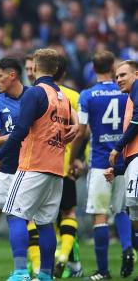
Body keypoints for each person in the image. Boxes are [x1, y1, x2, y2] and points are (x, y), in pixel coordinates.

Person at [0, 48, 76, 281]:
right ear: (57, 69)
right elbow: (71, 125)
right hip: (56, 167)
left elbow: (21, 129)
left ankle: (20, 272)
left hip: (33, 164)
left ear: (36, 68)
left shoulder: (35, 93)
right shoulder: (62, 97)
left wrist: (1, 155)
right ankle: (46, 275)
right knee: (45, 222)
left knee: (14, 215)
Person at [70, 51, 132, 280]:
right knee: (123, 210)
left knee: (100, 216)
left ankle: (103, 271)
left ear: (93, 69)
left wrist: (72, 158)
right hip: (124, 161)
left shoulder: (87, 96)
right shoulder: (126, 92)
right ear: (113, 68)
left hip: (100, 163)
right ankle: (127, 248)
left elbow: (82, 131)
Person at [0, 57, 27, 251]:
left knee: (20, 217)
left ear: (13, 75)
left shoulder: (33, 96)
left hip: (29, 167)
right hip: (6, 165)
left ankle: (28, 269)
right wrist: (15, 136)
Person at [52, 55, 84, 278]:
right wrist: (78, 158)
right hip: (66, 165)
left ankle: (62, 259)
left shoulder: (37, 93)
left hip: (43, 164)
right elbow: (83, 131)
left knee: (47, 216)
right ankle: (65, 257)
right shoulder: (74, 96)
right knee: (68, 213)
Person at [107, 60, 138, 280]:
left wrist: (117, 147)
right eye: (116, 76)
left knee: (134, 205)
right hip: (132, 163)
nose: (118, 79)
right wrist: (118, 170)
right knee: (133, 213)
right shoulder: (129, 98)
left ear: (136, 74)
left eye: (123, 75)